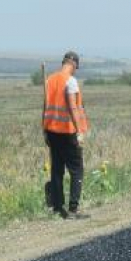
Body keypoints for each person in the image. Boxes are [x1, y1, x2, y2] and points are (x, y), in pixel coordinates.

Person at [42, 51, 88, 218]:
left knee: (57, 170)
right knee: (77, 170)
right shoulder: (71, 81)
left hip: (52, 131)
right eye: (76, 67)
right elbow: (72, 108)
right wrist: (79, 132)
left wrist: (44, 130)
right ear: (73, 64)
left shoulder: (50, 80)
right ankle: (73, 209)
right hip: (68, 132)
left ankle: (57, 207)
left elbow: (45, 107)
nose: (76, 70)